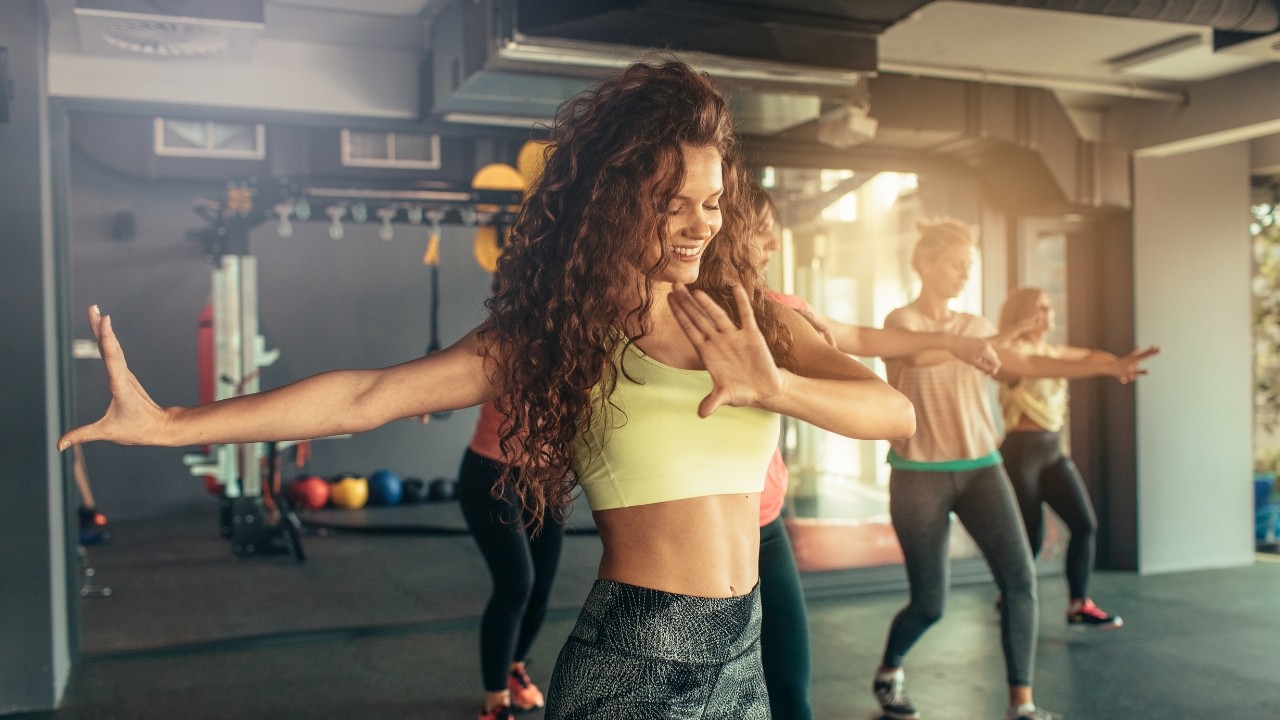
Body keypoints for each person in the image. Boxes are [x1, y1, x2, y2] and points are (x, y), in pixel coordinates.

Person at [60, 58, 915, 720]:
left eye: (713, 202)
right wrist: (171, 423)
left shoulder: (756, 320)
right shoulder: (560, 334)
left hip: (744, 648)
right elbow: (368, 396)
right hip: (638, 653)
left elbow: (894, 413)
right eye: (673, 203)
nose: (701, 224)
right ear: (616, 201)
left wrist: (776, 387)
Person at [745, 183, 1003, 720]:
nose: (770, 245)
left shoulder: (781, 311)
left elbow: (859, 339)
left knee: (791, 687)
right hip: (702, 528)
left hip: (765, 524)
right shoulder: (675, 312)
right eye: (761, 231)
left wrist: (958, 343)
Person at [872, 218, 1059, 720]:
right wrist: (987, 339)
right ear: (925, 264)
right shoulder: (899, 322)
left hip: (981, 468)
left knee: (1020, 580)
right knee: (930, 604)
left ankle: (1022, 704)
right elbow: (922, 357)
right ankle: (890, 670)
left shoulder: (975, 327)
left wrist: (1106, 365)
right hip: (918, 475)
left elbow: (1029, 361)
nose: (962, 274)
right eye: (955, 264)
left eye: (968, 267)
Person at [995, 288, 1158, 632]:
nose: (1048, 311)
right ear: (1022, 314)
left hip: (1052, 451)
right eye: (1040, 306)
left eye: (1049, 305)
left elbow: (1088, 356)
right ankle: (1009, 594)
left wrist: (1115, 363)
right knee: (1030, 539)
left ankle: (1079, 605)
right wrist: (1107, 367)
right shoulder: (1012, 355)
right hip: (1021, 451)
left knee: (1084, 524)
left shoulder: (1055, 350)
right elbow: (1050, 366)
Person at [457, 401, 563, 720]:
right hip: (491, 471)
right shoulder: (502, 348)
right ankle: (494, 702)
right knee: (516, 584)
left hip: (547, 476)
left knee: (541, 590)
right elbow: (459, 366)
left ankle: (513, 666)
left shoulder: (583, 351)